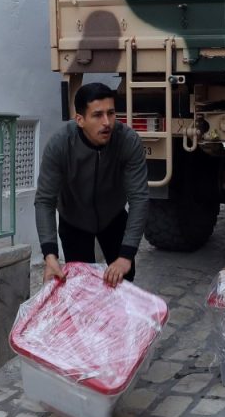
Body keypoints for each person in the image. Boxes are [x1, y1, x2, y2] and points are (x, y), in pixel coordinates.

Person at [36, 82, 149, 287]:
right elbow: (44, 201)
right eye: (97, 115)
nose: (107, 122)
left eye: (111, 113)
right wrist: (50, 255)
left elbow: (139, 198)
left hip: (113, 216)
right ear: (80, 120)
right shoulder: (59, 145)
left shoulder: (128, 141)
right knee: (81, 285)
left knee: (124, 282)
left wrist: (126, 256)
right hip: (74, 219)